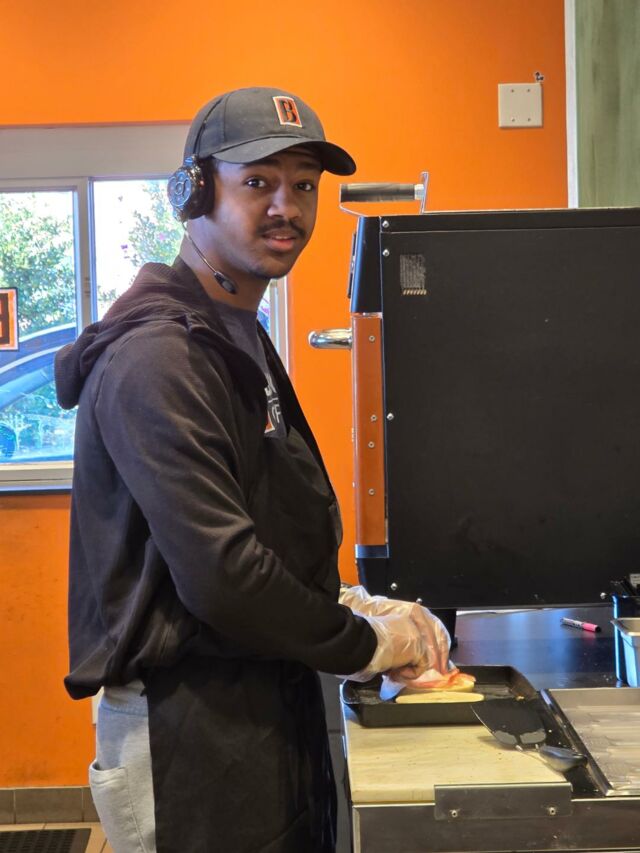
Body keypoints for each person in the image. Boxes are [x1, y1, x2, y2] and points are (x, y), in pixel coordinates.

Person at [55, 86, 450, 853]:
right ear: (193, 191)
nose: (286, 208)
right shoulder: (157, 357)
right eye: (259, 182)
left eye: (304, 185)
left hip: (256, 707)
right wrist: (370, 644)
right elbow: (223, 576)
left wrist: (350, 600)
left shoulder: (235, 331)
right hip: (186, 732)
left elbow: (260, 517)